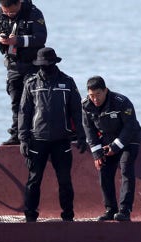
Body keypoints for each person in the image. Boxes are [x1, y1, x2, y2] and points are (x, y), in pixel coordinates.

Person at [18, 47, 87, 222]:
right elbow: (24, 112)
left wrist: (81, 134)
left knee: (64, 180)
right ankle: (30, 217)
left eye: (47, 64)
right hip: (37, 140)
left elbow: (76, 111)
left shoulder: (67, 82)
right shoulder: (31, 83)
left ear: (54, 63)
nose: (44, 67)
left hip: (61, 140)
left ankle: (68, 216)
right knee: (34, 180)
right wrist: (23, 139)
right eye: (41, 64)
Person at [0, 0, 47, 145]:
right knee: (16, 101)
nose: (9, 14)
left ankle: (33, 134)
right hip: (13, 65)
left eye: (12, 12)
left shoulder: (34, 13)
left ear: (19, 3)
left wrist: (18, 40)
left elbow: (41, 37)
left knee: (33, 102)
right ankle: (16, 134)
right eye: (6, 12)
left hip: (32, 65)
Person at [82, 76, 141, 222]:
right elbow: (88, 130)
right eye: (91, 95)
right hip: (107, 140)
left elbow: (130, 126)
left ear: (105, 90)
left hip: (130, 139)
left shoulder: (122, 102)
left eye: (98, 94)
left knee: (126, 168)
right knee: (104, 170)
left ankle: (124, 210)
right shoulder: (86, 105)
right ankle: (110, 209)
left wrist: (115, 146)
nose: (95, 99)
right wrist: (97, 154)